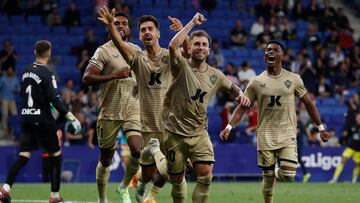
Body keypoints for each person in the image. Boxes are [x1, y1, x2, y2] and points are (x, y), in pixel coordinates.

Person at [143, 12, 250, 203]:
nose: (200, 47)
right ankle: (156, 151)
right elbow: (173, 46)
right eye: (197, 44)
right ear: (190, 48)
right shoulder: (180, 66)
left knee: (205, 174)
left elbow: (232, 88)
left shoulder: (216, 75)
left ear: (209, 50)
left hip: (199, 133)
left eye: (204, 45)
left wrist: (241, 95)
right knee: (175, 179)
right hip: (174, 132)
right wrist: (192, 22)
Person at [219, 40, 330, 203]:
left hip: (287, 133)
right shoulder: (256, 82)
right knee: (268, 181)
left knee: (288, 175)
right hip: (265, 135)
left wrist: (320, 128)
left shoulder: (294, 79)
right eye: (268, 50)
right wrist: (229, 126)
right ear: (265, 57)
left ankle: (273, 172)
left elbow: (308, 104)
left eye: (275, 50)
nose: (270, 52)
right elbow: (242, 107)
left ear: (283, 57)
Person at [97, 6, 188, 203]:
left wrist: (184, 33)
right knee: (148, 172)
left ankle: (149, 189)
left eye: (150, 29)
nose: (147, 32)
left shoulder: (169, 55)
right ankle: (141, 183)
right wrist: (111, 25)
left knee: (174, 173)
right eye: (143, 30)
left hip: (170, 125)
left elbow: (188, 54)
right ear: (139, 36)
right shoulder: (137, 58)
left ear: (158, 33)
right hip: (147, 127)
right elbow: (119, 44)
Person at [0, 40, 81, 203]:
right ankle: (55, 197)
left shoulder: (25, 71)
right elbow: (55, 100)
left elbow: (24, 95)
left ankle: (5, 189)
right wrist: (71, 117)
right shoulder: (47, 73)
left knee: (23, 156)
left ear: (35, 53)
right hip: (43, 120)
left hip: (27, 119)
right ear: (49, 53)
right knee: (56, 156)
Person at [82, 11, 142, 203]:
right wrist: (114, 75)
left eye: (125, 23)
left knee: (137, 151)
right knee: (106, 159)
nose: (121, 26)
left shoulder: (136, 50)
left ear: (129, 28)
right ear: (110, 28)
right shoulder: (103, 50)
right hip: (110, 111)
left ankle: (124, 187)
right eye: (117, 23)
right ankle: (102, 198)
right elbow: (87, 77)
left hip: (133, 109)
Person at [329, 113, 360, 183]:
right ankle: (335, 178)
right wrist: (340, 141)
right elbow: (346, 135)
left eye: (358, 117)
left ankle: (354, 180)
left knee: (357, 165)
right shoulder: (353, 126)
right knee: (343, 160)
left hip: (359, 150)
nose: (357, 119)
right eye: (357, 117)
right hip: (351, 147)